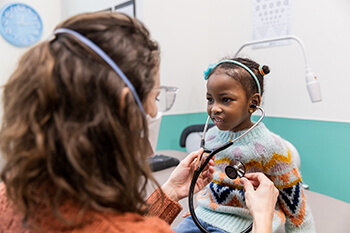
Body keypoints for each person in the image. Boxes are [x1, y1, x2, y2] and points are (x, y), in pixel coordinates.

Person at [0, 11, 278, 233]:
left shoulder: (8, 193)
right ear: (125, 107)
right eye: (155, 97)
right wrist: (263, 221)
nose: (155, 109)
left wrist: (170, 191)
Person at [174, 58, 315, 233]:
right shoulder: (210, 137)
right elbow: (211, 181)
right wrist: (202, 207)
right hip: (202, 217)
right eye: (210, 99)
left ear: (253, 103)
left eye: (225, 99)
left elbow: (294, 202)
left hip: (245, 224)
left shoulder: (272, 147)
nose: (214, 108)